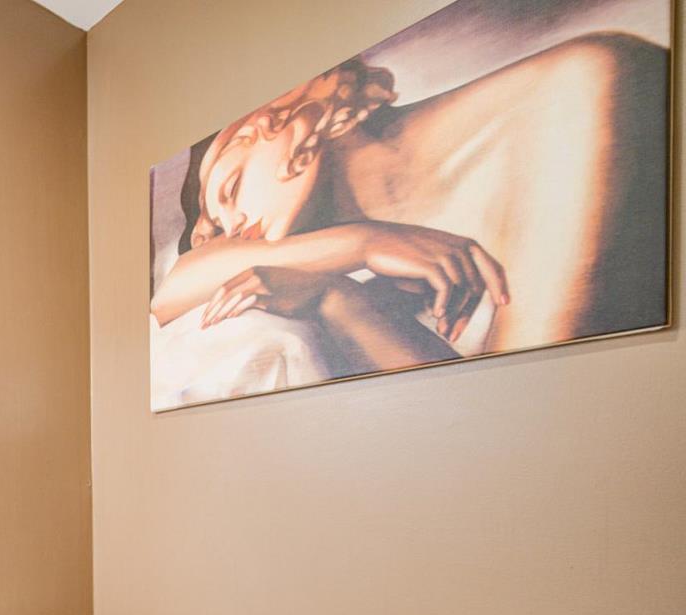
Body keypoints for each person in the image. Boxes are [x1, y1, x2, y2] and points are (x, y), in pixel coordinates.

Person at [151, 31, 669, 374]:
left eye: (230, 190)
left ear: (275, 124)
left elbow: (525, 425)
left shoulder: (575, 91)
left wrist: (351, 271)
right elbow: (174, 293)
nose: (239, 228)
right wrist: (348, 274)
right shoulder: (376, 276)